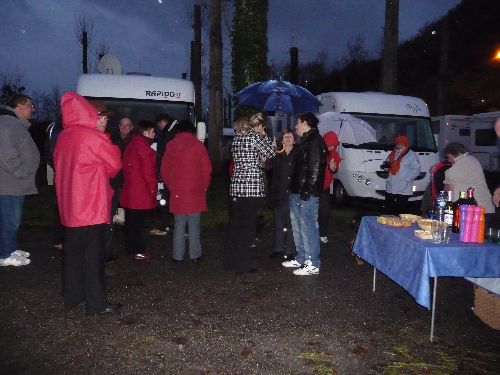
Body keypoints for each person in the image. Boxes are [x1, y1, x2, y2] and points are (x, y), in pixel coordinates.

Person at [53, 91, 122, 315]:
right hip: (91, 207)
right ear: (90, 114)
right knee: (94, 258)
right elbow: (115, 165)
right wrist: (106, 140)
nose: (104, 121)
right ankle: (97, 303)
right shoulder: (92, 137)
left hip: (71, 209)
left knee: (73, 256)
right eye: (102, 117)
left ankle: (73, 296)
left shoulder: (65, 136)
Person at [224, 114, 275, 274]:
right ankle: (243, 264)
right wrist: (267, 138)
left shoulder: (236, 140)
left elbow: (252, 159)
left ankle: (230, 261)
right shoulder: (254, 137)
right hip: (251, 188)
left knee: (235, 225)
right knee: (248, 227)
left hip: (236, 188)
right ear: (251, 127)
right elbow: (271, 153)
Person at [282, 112, 327, 276]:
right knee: (298, 226)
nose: (295, 126)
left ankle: (312, 263)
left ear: (306, 123)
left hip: (306, 192)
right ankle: (301, 257)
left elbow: (315, 168)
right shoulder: (305, 141)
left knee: (308, 227)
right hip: (297, 191)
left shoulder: (315, 142)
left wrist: (307, 189)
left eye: (298, 123)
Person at [161, 120, 212, 264]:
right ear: (192, 131)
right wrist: (203, 186)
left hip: (177, 192)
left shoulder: (171, 145)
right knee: (194, 224)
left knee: (179, 224)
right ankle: (195, 255)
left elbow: (164, 170)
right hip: (195, 192)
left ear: (178, 131)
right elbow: (206, 169)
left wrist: (172, 186)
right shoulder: (198, 146)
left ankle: (177, 256)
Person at [0, 94, 39, 267]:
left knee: (12, 220)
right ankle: (4, 254)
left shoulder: (14, 124)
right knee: (10, 220)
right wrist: (23, 173)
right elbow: (6, 155)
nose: (33, 109)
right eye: (30, 105)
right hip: (9, 184)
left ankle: (10, 248)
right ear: (20, 105)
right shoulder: (7, 125)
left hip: (15, 183)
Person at [120, 120, 158, 260]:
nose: (153, 134)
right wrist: (153, 191)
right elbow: (149, 173)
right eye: (151, 131)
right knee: (138, 225)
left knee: (131, 223)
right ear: (144, 132)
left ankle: (131, 249)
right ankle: (139, 250)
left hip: (129, 191)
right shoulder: (145, 148)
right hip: (140, 193)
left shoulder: (131, 144)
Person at [266, 129, 296, 260]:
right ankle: (277, 249)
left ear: (294, 140)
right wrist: (267, 156)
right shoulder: (277, 153)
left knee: (291, 224)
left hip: (293, 194)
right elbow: (267, 166)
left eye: (290, 137)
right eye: (285, 137)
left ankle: (290, 250)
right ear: (281, 141)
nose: (288, 139)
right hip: (278, 194)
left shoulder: (299, 153)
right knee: (278, 223)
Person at [443, 142, 495, 213]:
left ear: (457, 154)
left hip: (478, 209)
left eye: (449, 157)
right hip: (478, 208)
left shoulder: (465, 161)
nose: (449, 160)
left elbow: (449, 175)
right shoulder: (469, 159)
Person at [150, 113, 178, 236]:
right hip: (170, 173)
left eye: (159, 126)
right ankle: (166, 224)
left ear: (162, 122)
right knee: (165, 199)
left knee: (166, 199)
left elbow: (164, 152)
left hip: (170, 173)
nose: (159, 128)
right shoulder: (170, 131)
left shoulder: (170, 132)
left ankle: (167, 225)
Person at [382, 135, 421, 215]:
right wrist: (386, 168)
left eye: (400, 143)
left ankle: (401, 226)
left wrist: (406, 179)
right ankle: (387, 224)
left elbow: (416, 169)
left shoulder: (411, 155)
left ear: (405, 143)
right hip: (391, 184)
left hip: (404, 186)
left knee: (401, 210)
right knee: (388, 208)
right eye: (397, 142)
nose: (398, 144)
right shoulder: (393, 152)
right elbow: (388, 164)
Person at [318, 131, 341, 244]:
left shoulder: (335, 155)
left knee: (324, 211)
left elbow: (335, 168)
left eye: (333, 145)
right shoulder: (317, 152)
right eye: (329, 144)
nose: (331, 147)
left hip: (325, 188)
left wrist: (333, 167)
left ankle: (323, 234)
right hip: (313, 187)